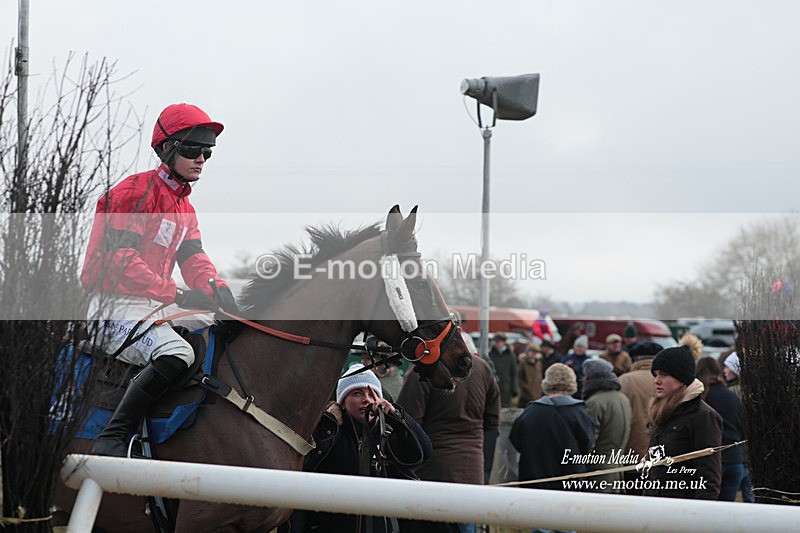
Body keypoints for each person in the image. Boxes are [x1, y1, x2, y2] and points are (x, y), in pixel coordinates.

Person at [80, 103, 239, 457]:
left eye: (207, 152)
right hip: (111, 306)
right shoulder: (134, 192)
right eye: (193, 149)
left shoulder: (186, 208)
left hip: (153, 305)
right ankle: (112, 436)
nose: (201, 159)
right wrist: (179, 294)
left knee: (218, 333)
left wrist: (217, 290)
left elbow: (194, 258)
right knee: (177, 352)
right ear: (167, 148)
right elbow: (120, 261)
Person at [291, 363, 432, 533]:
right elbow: (307, 464)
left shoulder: (385, 435)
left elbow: (423, 452)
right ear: (342, 402)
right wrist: (329, 422)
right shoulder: (330, 433)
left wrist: (396, 416)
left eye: (372, 394)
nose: (366, 399)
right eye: (357, 393)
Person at [397, 353, 500, 533]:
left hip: (432, 473)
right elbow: (492, 420)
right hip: (471, 470)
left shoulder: (423, 370)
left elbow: (408, 423)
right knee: (466, 526)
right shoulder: (483, 368)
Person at [643, 345, 722, 500]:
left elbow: (709, 478)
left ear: (682, 377)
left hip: (683, 511)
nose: (657, 381)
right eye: (655, 375)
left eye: (664, 375)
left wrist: (696, 517)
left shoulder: (703, 416)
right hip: (656, 507)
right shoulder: (662, 411)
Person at [510, 363, 596, 491]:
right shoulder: (579, 412)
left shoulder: (530, 412)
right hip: (569, 483)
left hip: (533, 482)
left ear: (547, 383)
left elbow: (516, 440)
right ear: (571, 384)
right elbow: (587, 445)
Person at [696, 357, 746, 502]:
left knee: (706, 512)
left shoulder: (701, 398)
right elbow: (742, 427)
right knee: (727, 513)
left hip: (711, 461)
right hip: (735, 459)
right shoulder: (732, 397)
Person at [582, 358, 632, 493]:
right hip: (617, 468)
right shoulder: (622, 398)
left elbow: (588, 441)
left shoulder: (594, 403)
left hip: (598, 471)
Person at [618, 341, 662, 494]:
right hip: (662, 458)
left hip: (631, 458)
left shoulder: (624, 381)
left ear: (635, 358)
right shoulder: (669, 381)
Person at [358, 335, 404, 402]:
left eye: (368, 358)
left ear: (386, 362)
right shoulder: (363, 381)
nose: (363, 363)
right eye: (362, 358)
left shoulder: (399, 386)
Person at [488, 333, 517, 408]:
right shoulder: (490, 354)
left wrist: (514, 389)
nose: (496, 343)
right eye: (495, 341)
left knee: (505, 407)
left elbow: (514, 373)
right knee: (493, 406)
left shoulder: (510, 355)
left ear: (504, 342)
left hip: (506, 387)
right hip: (494, 386)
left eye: (499, 341)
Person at [561, 335, 590, 399]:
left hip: (583, 390)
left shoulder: (588, 360)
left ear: (585, 349)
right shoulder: (568, 358)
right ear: (574, 347)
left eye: (581, 347)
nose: (579, 349)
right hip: (568, 390)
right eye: (578, 346)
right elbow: (559, 369)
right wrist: (566, 366)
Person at [517, 342, 544, 406]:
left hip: (537, 393)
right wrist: (526, 387)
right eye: (532, 352)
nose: (533, 354)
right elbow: (519, 378)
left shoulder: (538, 363)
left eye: (535, 353)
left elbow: (540, 376)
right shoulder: (523, 363)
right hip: (526, 394)